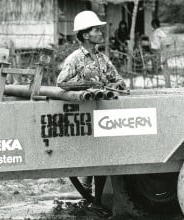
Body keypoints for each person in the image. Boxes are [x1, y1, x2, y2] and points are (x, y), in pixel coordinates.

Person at [57, 11, 126, 209]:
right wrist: (85, 85)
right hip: (85, 116)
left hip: (104, 115)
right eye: (96, 30)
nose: (100, 32)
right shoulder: (75, 59)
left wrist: (118, 84)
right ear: (86, 35)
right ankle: (92, 199)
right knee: (94, 158)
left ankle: (95, 201)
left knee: (102, 159)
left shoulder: (102, 58)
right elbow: (61, 82)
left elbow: (116, 78)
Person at [150, 18, 170, 87]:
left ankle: (157, 70)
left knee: (157, 59)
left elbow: (164, 36)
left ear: (156, 24)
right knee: (153, 59)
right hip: (153, 47)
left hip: (157, 47)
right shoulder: (154, 31)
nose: (153, 26)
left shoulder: (158, 31)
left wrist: (165, 44)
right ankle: (154, 70)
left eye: (153, 24)